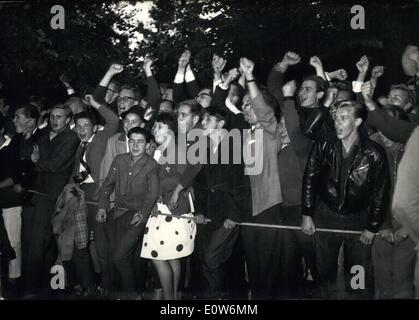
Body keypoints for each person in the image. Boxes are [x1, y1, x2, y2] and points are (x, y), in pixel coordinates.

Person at [301, 100, 390, 298]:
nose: (337, 123)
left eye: (343, 118)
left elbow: (380, 191)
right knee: (325, 270)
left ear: (357, 121)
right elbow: (310, 178)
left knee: (357, 272)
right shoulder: (324, 144)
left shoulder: (374, 152)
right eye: (336, 118)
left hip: (358, 219)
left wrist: (372, 226)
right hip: (327, 215)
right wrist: (307, 214)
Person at [97, 127, 159, 299]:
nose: (135, 145)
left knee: (120, 257)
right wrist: (102, 206)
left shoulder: (151, 164)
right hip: (117, 214)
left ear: (147, 145)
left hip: (137, 218)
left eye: (140, 141)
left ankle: (133, 295)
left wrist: (143, 212)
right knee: (115, 257)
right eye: (132, 141)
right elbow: (108, 185)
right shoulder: (119, 160)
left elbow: (153, 193)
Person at [25, 104, 80, 296]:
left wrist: (36, 161)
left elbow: (57, 165)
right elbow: (31, 158)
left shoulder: (71, 138)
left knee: (41, 241)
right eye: (53, 116)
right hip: (38, 192)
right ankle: (45, 286)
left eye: (59, 117)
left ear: (68, 120)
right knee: (43, 241)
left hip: (55, 195)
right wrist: (38, 161)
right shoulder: (44, 135)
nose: (55, 120)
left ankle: (32, 288)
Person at [141, 113, 196, 300]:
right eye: (154, 126)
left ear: (171, 130)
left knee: (158, 256)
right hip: (162, 211)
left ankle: (169, 298)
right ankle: (171, 299)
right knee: (171, 257)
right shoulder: (157, 151)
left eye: (159, 126)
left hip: (172, 210)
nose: (154, 130)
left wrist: (155, 192)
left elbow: (180, 177)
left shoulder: (177, 150)